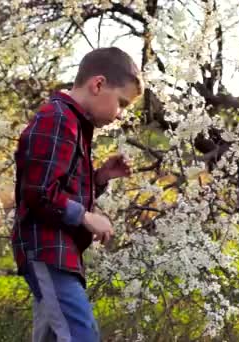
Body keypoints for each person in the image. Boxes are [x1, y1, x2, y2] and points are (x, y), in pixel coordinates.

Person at [11, 47, 143, 341]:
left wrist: (99, 178)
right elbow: (39, 193)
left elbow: (61, 188)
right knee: (81, 334)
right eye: (121, 103)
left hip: (60, 250)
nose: (120, 115)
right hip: (47, 249)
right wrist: (86, 217)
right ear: (98, 84)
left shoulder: (74, 124)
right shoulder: (56, 119)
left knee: (54, 336)